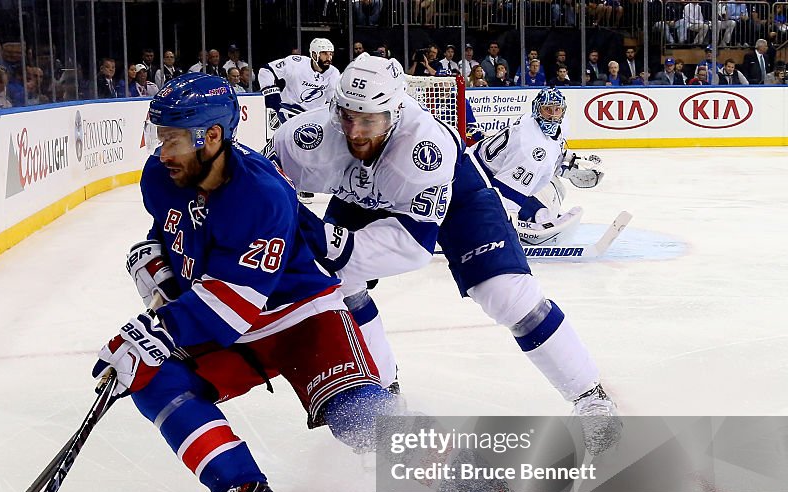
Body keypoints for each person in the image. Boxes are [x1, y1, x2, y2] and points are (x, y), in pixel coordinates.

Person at [96, 72, 395, 492]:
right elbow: (171, 233)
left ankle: (489, 486)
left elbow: (232, 307)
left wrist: (154, 329)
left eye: (172, 139)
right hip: (235, 322)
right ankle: (244, 489)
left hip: (302, 318)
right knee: (151, 376)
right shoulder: (163, 175)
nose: (162, 151)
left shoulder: (261, 195)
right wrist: (154, 262)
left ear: (212, 136)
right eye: (161, 137)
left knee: (357, 420)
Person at [268, 55, 620, 461]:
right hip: (359, 198)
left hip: (456, 196)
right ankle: (385, 395)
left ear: (396, 111)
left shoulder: (424, 149)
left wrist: (321, 238)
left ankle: (591, 397)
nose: (357, 133)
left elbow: (411, 249)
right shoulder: (306, 135)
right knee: (338, 288)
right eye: (348, 117)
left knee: (508, 295)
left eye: (371, 121)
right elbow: (260, 187)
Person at [469, 87, 604, 249]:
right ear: (537, 109)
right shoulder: (530, 147)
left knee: (548, 194)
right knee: (525, 205)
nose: (553, 116)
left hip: (487, 168)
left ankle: (538, 215)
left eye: (557, 110)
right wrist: (505, 230)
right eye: (547, 109)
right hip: (474, 177)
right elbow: (506, 194)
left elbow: (551, 151)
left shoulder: (546, 125)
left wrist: (568, 164)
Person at [258, 37, 340, 202]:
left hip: (312, 116)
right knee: (295, 148)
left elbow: (333, 100)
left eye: (330, 54)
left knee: (307, 150)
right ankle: (267, 175)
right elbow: (265, 71)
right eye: (324, 53)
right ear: (314, 54)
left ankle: (294, 182)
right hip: (289, 110)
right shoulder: (295, 63)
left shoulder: (333, 73)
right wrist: (271, 96)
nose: (328, 58)